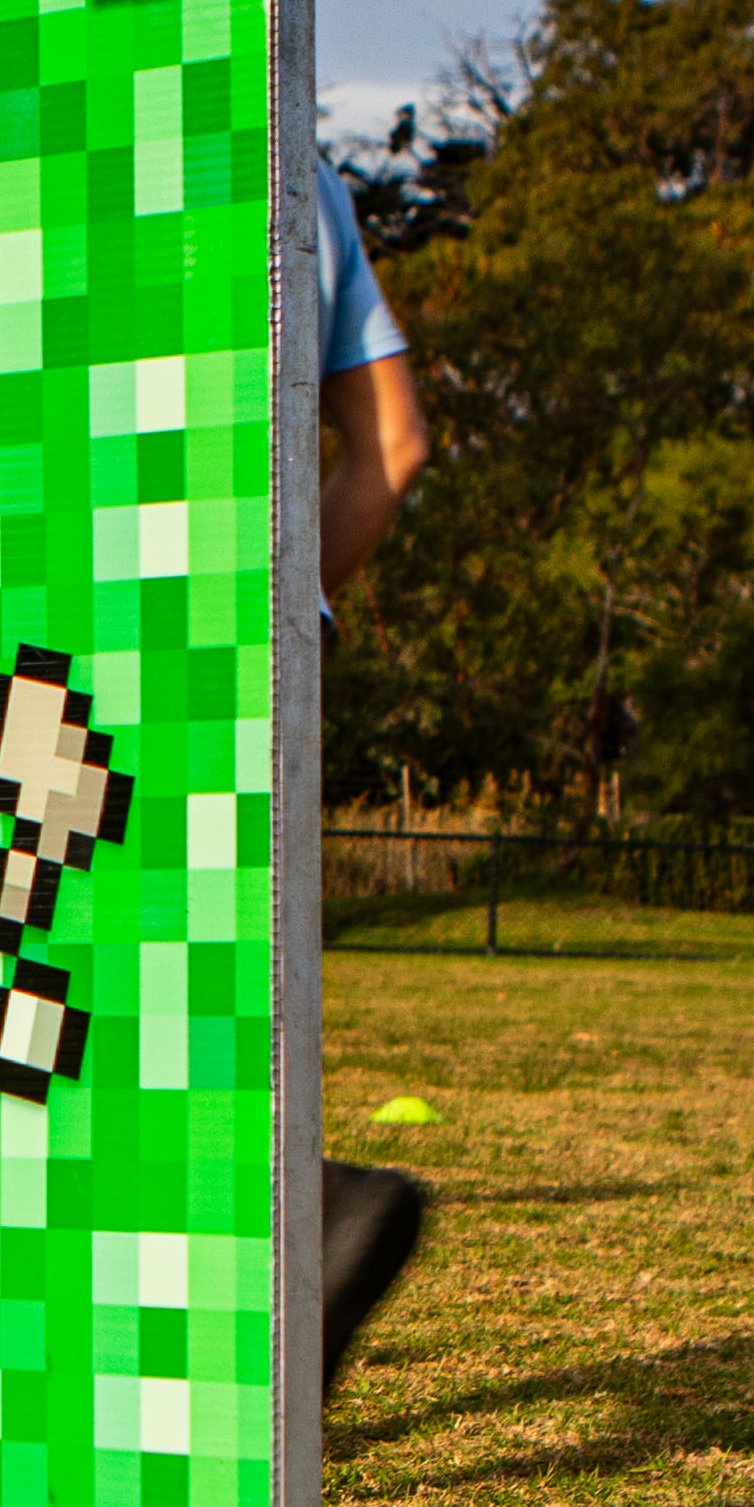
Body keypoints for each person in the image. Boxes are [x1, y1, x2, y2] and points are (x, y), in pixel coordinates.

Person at [309, 158, 437, 1398]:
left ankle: (305, 1208)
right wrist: (298, 613)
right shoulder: (312, 171)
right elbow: (392, 444)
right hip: (246, 639)